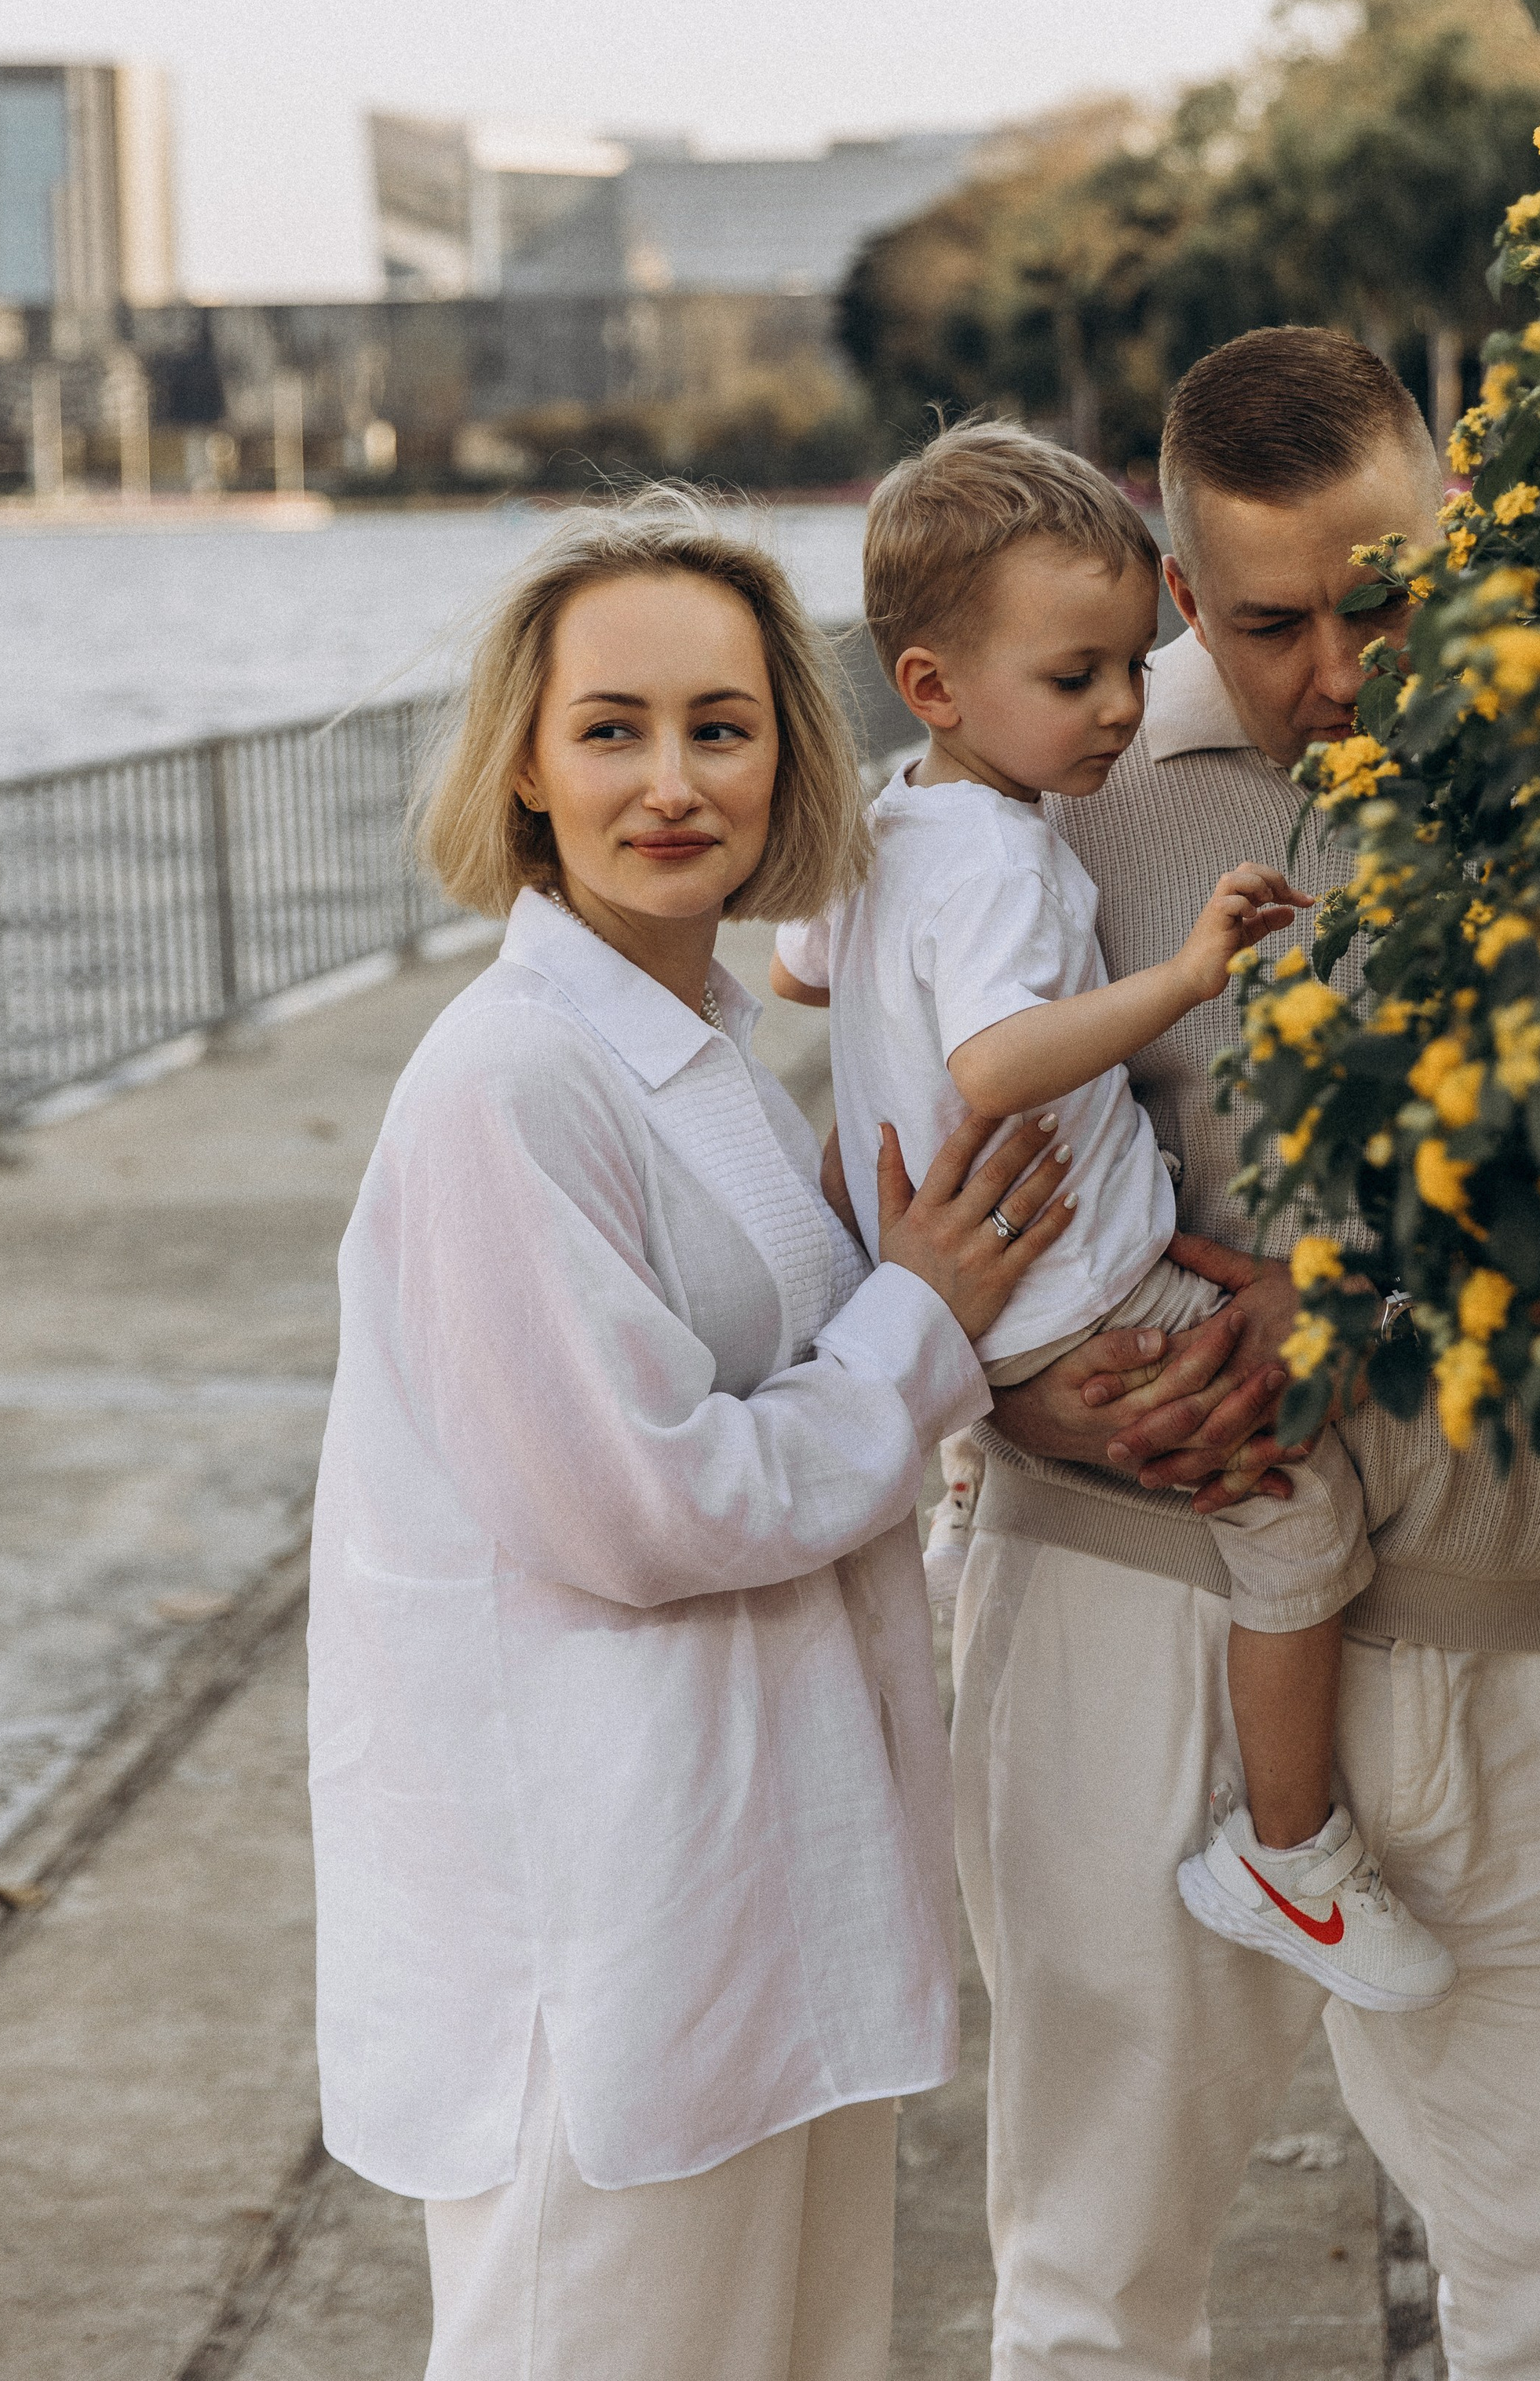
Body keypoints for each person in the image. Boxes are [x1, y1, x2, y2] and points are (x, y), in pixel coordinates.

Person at [952, 330, 1540, 2381]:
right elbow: (866, 1177)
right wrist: (1003, 1383)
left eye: (1389, 594)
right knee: (1096, 2292)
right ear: (1182, 593)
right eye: (1273, 623)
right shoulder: (1054, 810)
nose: (1342, 668)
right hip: (1132, 1606)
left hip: (1499, 1601)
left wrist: (1382, 1300)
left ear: (1454, 523)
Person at [305, 492, 1083, 2381]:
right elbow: (651, 1503)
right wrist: (923, 1322)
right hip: (601, 1935)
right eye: (612, 727)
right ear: (525, 772)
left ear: (787, 756)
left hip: (743, 1897)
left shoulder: (697, 1039)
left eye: (719, 727)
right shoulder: (508, 1086)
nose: (672, 780)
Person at [771, 420, 1453, 2014]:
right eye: (1073, 680)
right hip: (1072, 1291)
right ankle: (1288, 1856)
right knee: (1300, 1525)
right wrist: (1180, 977)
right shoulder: (1004, 859)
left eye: (1131, 668)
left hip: (972, 1294)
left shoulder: (885, 821)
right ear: (935, 687)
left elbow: (801, 968)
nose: (1121, 712)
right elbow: (998, 1061)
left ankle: (960, 1493)